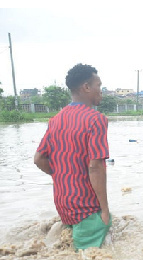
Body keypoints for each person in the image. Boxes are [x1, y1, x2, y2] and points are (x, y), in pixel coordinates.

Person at [33, 63, 111, 250]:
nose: (101, 91)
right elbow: (95, 167)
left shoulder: (56, 119)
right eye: (98, 86)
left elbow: (38, 159)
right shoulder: (96, 119)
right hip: (87, 207)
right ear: (86, 87)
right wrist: (105, 210)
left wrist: (63, 174)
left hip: (63, 205)